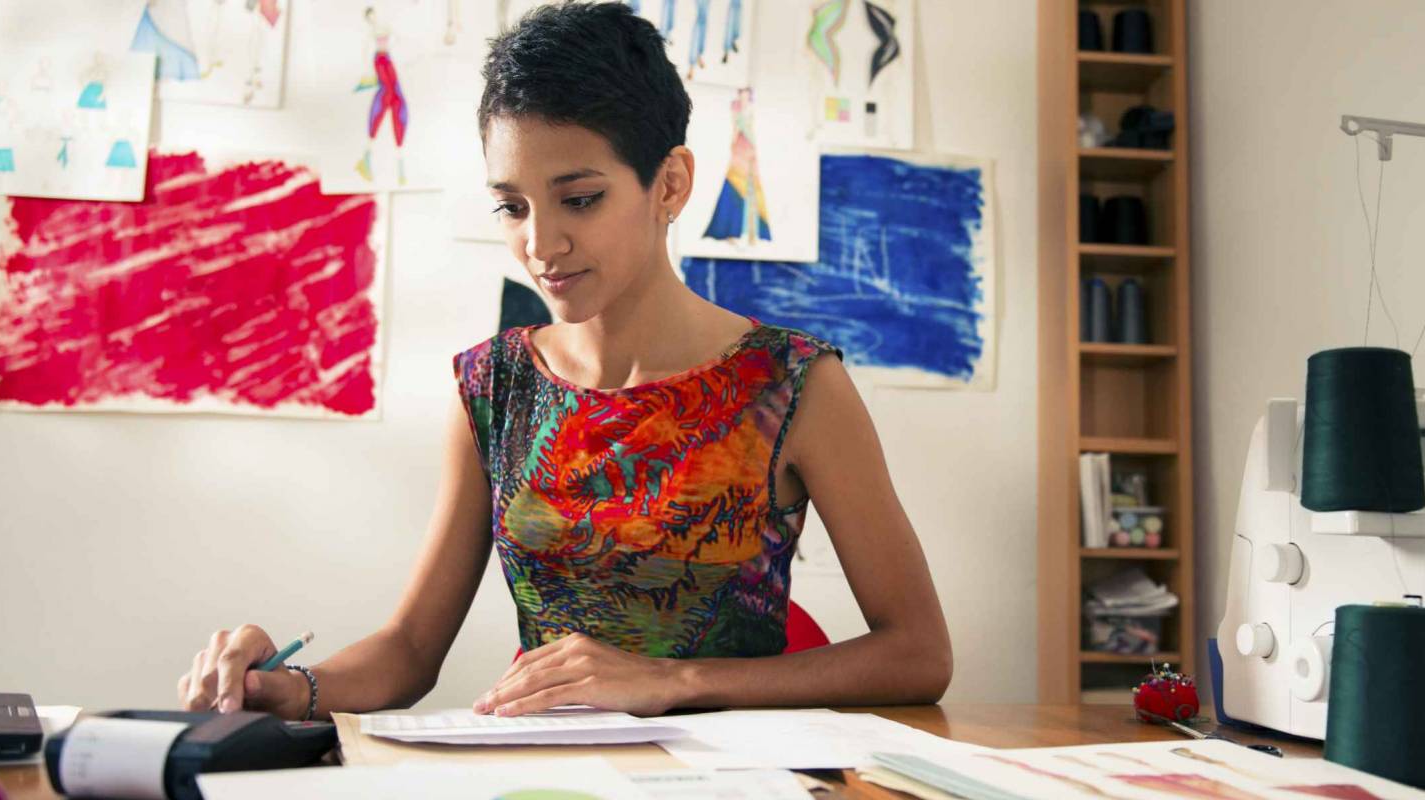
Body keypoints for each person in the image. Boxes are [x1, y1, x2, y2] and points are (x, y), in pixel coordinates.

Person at [176, 0, 951, 721]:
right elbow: (410, 651)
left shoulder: (795, 385)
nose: (540, 246)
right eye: (513, 206)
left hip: (737, 779)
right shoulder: (492, 387)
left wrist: (672, 681)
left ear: (670, 183)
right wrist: (282, 687)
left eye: (579, 199)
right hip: (550, 764)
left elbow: (918, 655)